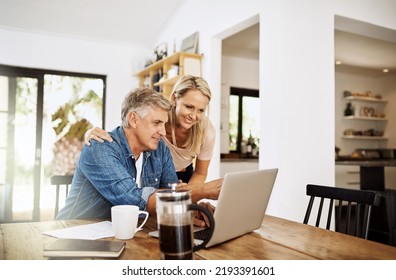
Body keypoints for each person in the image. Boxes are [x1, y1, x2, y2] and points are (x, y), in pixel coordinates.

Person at [56, 88, 222, 222]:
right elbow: (135, 200)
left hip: (127, 232)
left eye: (164, 124)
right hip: (74, 233)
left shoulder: (160, 149)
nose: (163, 132)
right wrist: (204, 190)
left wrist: (192, 209)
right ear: (133, 119)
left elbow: (174, 191)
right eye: (157, 123)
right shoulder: (99, 148)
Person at [85, 75, 215, 184]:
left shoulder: (206, 131)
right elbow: (129, 129)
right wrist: (91, 135)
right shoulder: (159, 113)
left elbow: (200, 173)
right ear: (175, 99)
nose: (193, 116)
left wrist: (191, 199)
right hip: (153, 169)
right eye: (189, 107)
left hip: (182, 174)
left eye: (201, 110)